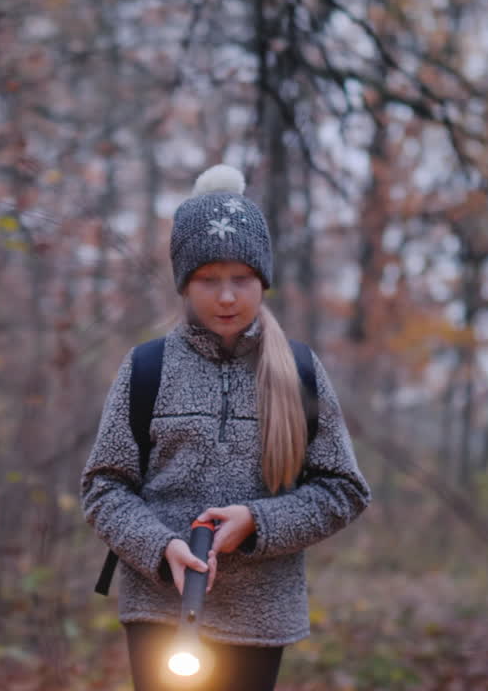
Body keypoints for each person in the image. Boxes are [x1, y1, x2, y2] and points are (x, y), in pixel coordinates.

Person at [81, 164, 371, 691]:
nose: (227, 297)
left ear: (263, 281)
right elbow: (104, 488)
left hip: (260, 622)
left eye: (241, 278)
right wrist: (160, 548)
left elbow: (343, 489)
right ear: (184, 284)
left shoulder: (299, 372)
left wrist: (257, 522)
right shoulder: (146, 368)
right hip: (160, 613)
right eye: (208, 280)